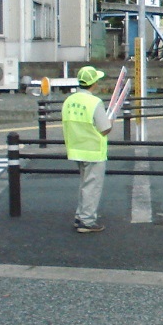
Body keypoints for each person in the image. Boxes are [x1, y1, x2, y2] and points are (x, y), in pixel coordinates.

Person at [62, 65, 113, 234]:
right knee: (92, 186)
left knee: (85, 184)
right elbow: (105, 128)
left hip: (75, 147)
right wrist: (111, 120)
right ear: (94, 83)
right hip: (93, 150)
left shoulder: (69, 100)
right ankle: (87, 220)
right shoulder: (94, 102)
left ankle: (81, 215)